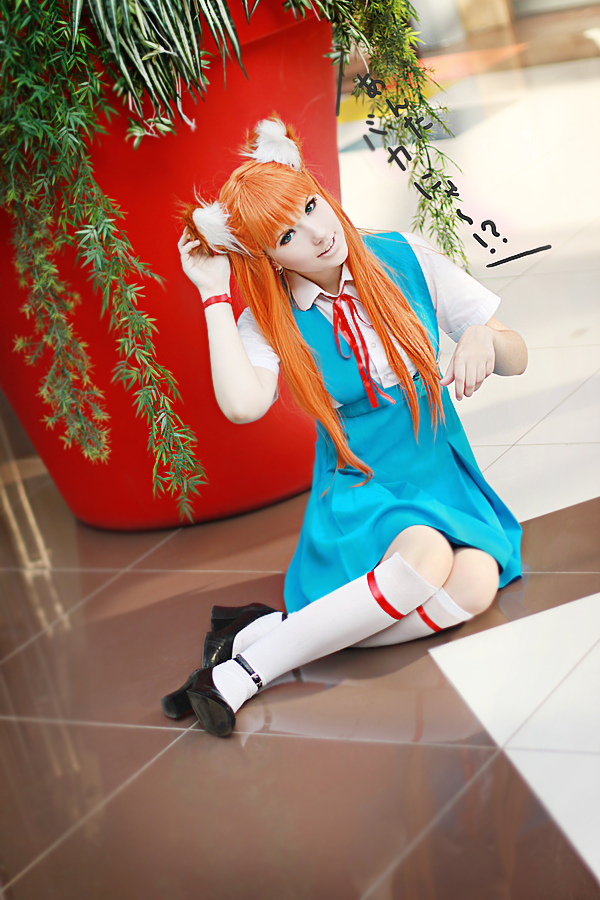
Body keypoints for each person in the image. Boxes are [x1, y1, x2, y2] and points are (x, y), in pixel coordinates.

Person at [161, 118, 526, 737]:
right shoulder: (273, 319)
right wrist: (214, 295)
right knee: (427, 553)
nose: (317, 233)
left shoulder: (404, 256)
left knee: (475, 583)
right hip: (361, 485)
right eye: (287, 235)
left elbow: (518, 355)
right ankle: (243, 674)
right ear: (268, 258)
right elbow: (243, 406)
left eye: (310, 205)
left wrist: (484, 339)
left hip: (437, 470)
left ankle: (263, 634)